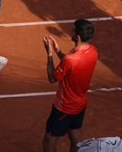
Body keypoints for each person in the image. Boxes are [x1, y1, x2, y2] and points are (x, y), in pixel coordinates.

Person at [42, 19, 98, 152]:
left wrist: (49, 54)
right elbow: (72, 66)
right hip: (80, 105)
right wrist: (58, 51)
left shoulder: (70, 59)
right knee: (75, 140)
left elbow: (52, 78)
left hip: (64, 108)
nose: (71, 31)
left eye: (73, 30)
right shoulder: (93, 51)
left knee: (48, 141)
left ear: (77, 37)